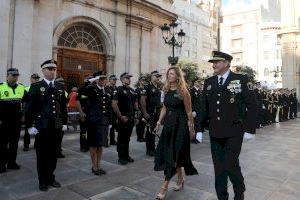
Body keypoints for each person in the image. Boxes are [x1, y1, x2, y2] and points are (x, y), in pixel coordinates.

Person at [196, 51, 257, 200]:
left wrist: (250, 129)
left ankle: (239, 192)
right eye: (213, 62)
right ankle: (222, 197)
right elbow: (203, 107)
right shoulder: (209, 82)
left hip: (234, 131)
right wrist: (199, 129)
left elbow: (253, 105)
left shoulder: (241, 79)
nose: (214, 65)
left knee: (230, 164)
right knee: (219, 168)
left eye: (217, 62)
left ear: (227, 63)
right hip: (215, 132)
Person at [154, 66, 198, 200]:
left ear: (178, 76)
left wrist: (192, 128)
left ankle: (164, 187)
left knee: (173, 155)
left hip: (181, 126)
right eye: (168, 73)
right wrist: (158, 123)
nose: (169, 75)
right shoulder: (166, 89)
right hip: (168, 125)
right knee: (172, 154)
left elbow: (189, 112)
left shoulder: (183, 91)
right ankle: (180, 179)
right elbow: (164, 108)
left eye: (172, 74)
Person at [25, 59, 68, 191]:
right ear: (43, 71)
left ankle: (50, 177)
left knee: (54, 153)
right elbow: (29, 108)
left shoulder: (59, 87)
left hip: (56, 126)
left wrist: (64, 123)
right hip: (42, 127)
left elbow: (62, 108)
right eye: (49, 69)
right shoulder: (36, 87)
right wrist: (29, 126)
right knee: (42, 154)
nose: (52, 71)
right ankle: (42, 179)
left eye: (54, 69)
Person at [78, 73, 110, 175]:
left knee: (100, 145)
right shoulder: (90, 89)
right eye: (101, 79)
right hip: (93, 121)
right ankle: (94, 166)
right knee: (93, 145)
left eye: (104, 79)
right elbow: (79, 97)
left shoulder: (107, 90)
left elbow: (108, 107)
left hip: (103, 121)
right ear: (96, 80)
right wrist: (82, 113)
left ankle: (99, 165)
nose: (103, 80)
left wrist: (110, 121)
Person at [0, 68, 26, 173]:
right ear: (7, 76)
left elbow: (25, 102)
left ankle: (11, 163)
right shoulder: (1, 87)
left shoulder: (21, 87)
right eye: (13, 75)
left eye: (16, 75)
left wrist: (24, 114)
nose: (15, 77)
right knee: (2, 143)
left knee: (14, 143)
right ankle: (1, 164)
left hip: (16, 121)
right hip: (3, 121)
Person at [112, 72, 137, 165]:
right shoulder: (118, 90)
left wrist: (136, 116)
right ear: (122, 79)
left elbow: (135, 105)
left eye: (129, 78)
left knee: (127, 138)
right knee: (121, 138)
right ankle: (121, 157)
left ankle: (126, 155)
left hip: (130, 118)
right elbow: (114, 105)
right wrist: (121, 117)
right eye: (127, 78)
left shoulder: (132, 90)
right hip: (123, 118)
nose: (129, 79)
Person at [140, 70, 162, 156]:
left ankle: (152, 148)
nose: (158, 78)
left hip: (156, 113)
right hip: (149, 112)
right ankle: (149, 150)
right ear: (152, 77)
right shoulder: (147, 87)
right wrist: (145, 113)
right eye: (156, 76)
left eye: (159, 76)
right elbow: (142, 100)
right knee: (149, 132)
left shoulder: (158, 88)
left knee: (153, 131)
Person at [23, 73, 40, 151]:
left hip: (38, 112)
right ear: (31, 79)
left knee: (38, 128)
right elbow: (24, 101)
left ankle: (37, 144)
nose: (36, 79)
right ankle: (26, 145)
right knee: (28, 128)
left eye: (37, 78)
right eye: (34, 78)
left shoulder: (41, 88)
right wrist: (23, 113)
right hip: (29, 111)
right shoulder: (26, 88)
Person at [76, 76, 93, 152]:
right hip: (84, 113)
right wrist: (81, 113)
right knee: (83, 131)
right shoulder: (81, 89)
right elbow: (78, 101)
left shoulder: (92, 89)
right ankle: (83, 146)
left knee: (90, 131)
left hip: (91, 114)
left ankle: (88, 145)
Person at [55, 76, 68, 158]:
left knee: (59, 135)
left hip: (60, 117)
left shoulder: (63, 92)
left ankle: (58, 150)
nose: (62, 83)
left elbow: (64, 107)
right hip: (52, 117)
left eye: (63, 81)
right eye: (60, 81)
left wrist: (65, 122)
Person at [190, 77, 204, 143]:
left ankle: (196, 138)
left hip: (199, 111)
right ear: (195, 82)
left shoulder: (200, 91)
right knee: (194, 124)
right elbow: (190, 102)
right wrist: (192, 110)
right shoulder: (192, 91)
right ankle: (193, 138)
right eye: (198, 81)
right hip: (195, 111)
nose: (200, 83)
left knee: (198, 124)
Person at [107, 75, 118, 145]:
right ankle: (105, 140)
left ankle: (112, 140)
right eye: (113, 80)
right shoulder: (107, 88)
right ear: (110, 80)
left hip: (115, 110)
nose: (114, 81)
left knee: (113, 126)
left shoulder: (117, 88)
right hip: (109, 109)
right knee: (108, 125)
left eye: (115, 80)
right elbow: (108, 99)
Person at [135, 75, 147, 142]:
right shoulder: (137, 90)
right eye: (142, 80)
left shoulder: (145, 89)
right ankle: (139, 137)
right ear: (139, 81)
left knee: (143, 124)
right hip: (139, 109)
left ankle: (142, 136)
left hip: (144, 109)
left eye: (144, 80)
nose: (144, 81)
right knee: (139, 124)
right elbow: (136, 101)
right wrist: (137, 109)